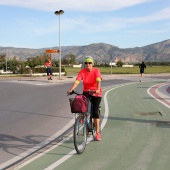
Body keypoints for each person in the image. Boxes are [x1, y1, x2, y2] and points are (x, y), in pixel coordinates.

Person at [67, 56, 102, 141]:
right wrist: (71, 90)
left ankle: (97, 133)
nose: (87, 64)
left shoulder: (96, 71)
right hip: (87, 92)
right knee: (83, 108)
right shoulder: (82, 72)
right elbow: (77, 81)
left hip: (96, 93)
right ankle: (84, 123)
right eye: (86, 63)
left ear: (92, 64)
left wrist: (97, 89)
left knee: (94, 113)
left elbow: (98, 80)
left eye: (89, 63)